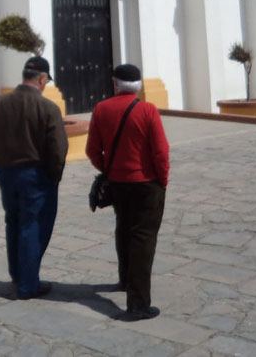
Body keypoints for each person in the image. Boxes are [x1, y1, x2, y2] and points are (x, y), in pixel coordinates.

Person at [86, 63, 170, 321]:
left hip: (118, 183)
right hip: (147, 183)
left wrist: (110, 169)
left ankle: (125, 279)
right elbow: (160, 151)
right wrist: (162, 180)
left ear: (115, 84)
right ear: (139, 85)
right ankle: (138, 303)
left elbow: (92, 150)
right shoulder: (147, 110)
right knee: (143, 238)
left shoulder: (101, 109)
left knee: (124, 229)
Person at [0, 55, 67, 300]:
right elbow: (57, 148)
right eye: (46, 81)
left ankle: (18, 274)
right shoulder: (48, 108)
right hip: (35, 175)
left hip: (7, 174)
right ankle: (28, 284)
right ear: (41, 79)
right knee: (33, 227)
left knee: (14, 223)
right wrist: (54, 176)